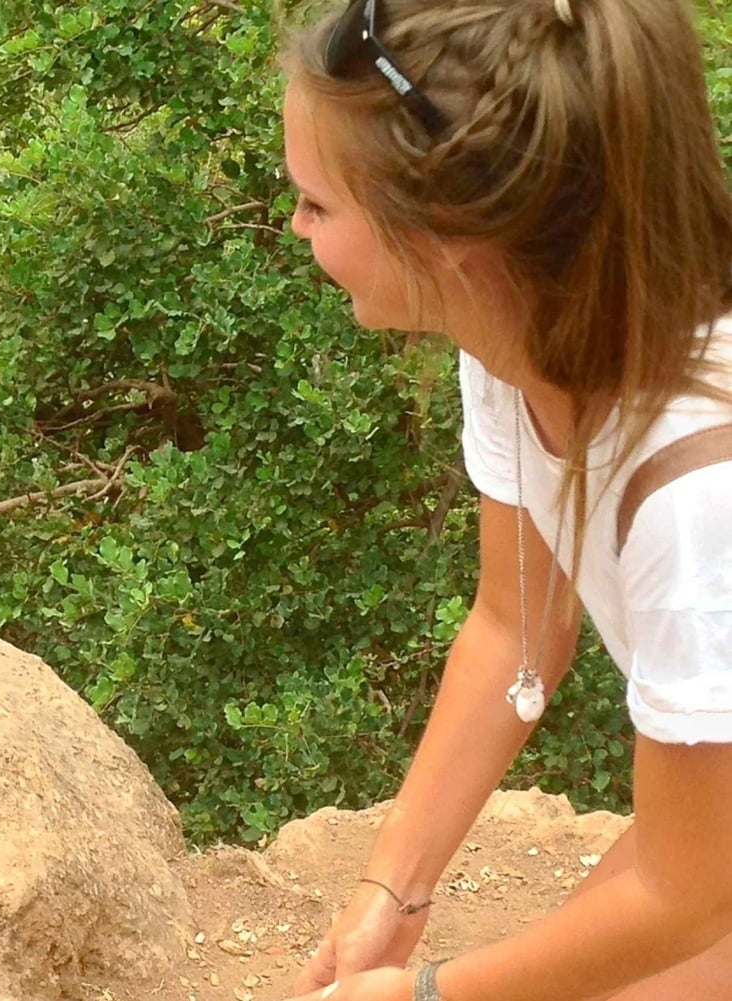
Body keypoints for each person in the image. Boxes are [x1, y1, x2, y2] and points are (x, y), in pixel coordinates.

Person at [277, 0, 732, 999]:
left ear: (444, 241)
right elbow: (515, 623)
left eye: (317, 203)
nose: (294, 224)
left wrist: (428, 992)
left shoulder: (696, 496)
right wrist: (389, 892)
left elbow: (689, 888)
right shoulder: (521, 328)